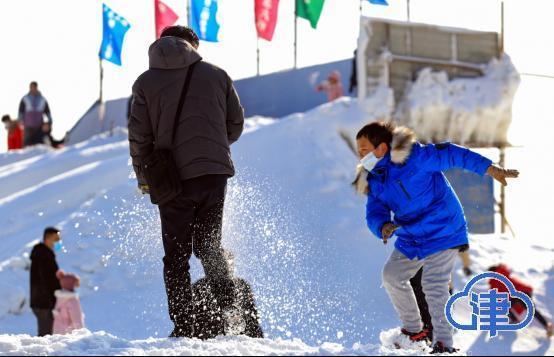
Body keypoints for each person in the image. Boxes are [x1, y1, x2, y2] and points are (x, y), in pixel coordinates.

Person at [356, 122, 519, 353]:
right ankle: (414, 332)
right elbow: (375, 210)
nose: (360, 155)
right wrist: (382, 226)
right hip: (412, 236)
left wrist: (490, 168)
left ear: (381, 148)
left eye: (364, 150)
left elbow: (453, 154)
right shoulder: (375, 180)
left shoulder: (416, 157)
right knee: (391, 275)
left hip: (443, 230)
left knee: (433, 284)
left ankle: (444, 343)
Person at [128, 25, 244, 338]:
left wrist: (144, 178)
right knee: (209, 246)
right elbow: (235, 123)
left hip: (171, 180)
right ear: (191, 45)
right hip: (213, 173)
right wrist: (212, 149)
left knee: (176, 256)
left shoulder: (145, 82)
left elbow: (139, 137)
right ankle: (229, 311)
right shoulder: (217, 74)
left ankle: (182, 325)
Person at [192, 250, 264, 340]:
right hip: (209, 338)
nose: (227, 267)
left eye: (230, 263)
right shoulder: (200, 286)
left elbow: (252, 316)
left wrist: (257, 341)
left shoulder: (242, 285)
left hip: (240, 339)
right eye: (224, 263)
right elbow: (195, 318)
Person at [489, 264, 553, 338]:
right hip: (524, 291)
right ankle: (547, 325)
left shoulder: (495, 279)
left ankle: (514, 319)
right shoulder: (504, 274)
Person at [30, 227, 63, 336]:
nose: (59, 242)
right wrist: (53, 300)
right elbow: (47, 281)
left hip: (44, 302)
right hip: (44, 303)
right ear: (48, 239)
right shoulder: (44, 255)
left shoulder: (44, 254)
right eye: (56, 239)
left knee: (47, 336)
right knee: (45, 338)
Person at [18, 81, 53, 147]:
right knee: (27, 142)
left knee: (39, 142)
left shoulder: (42, 99)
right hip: (28, 125)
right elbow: (21, 111)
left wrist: (50, 121)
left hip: (39, 124)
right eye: (31, 87)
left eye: (34, 87)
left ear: (37, 87)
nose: (33, 88)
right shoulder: (25, 98)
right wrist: (20, 121)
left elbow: (47, 111)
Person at [52, 270, 85, 335]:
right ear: (71, 284)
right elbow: (77, 318)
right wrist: (82, 333)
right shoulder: (72, 300)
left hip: (58, 332)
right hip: (70, 334)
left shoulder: (60, 298)